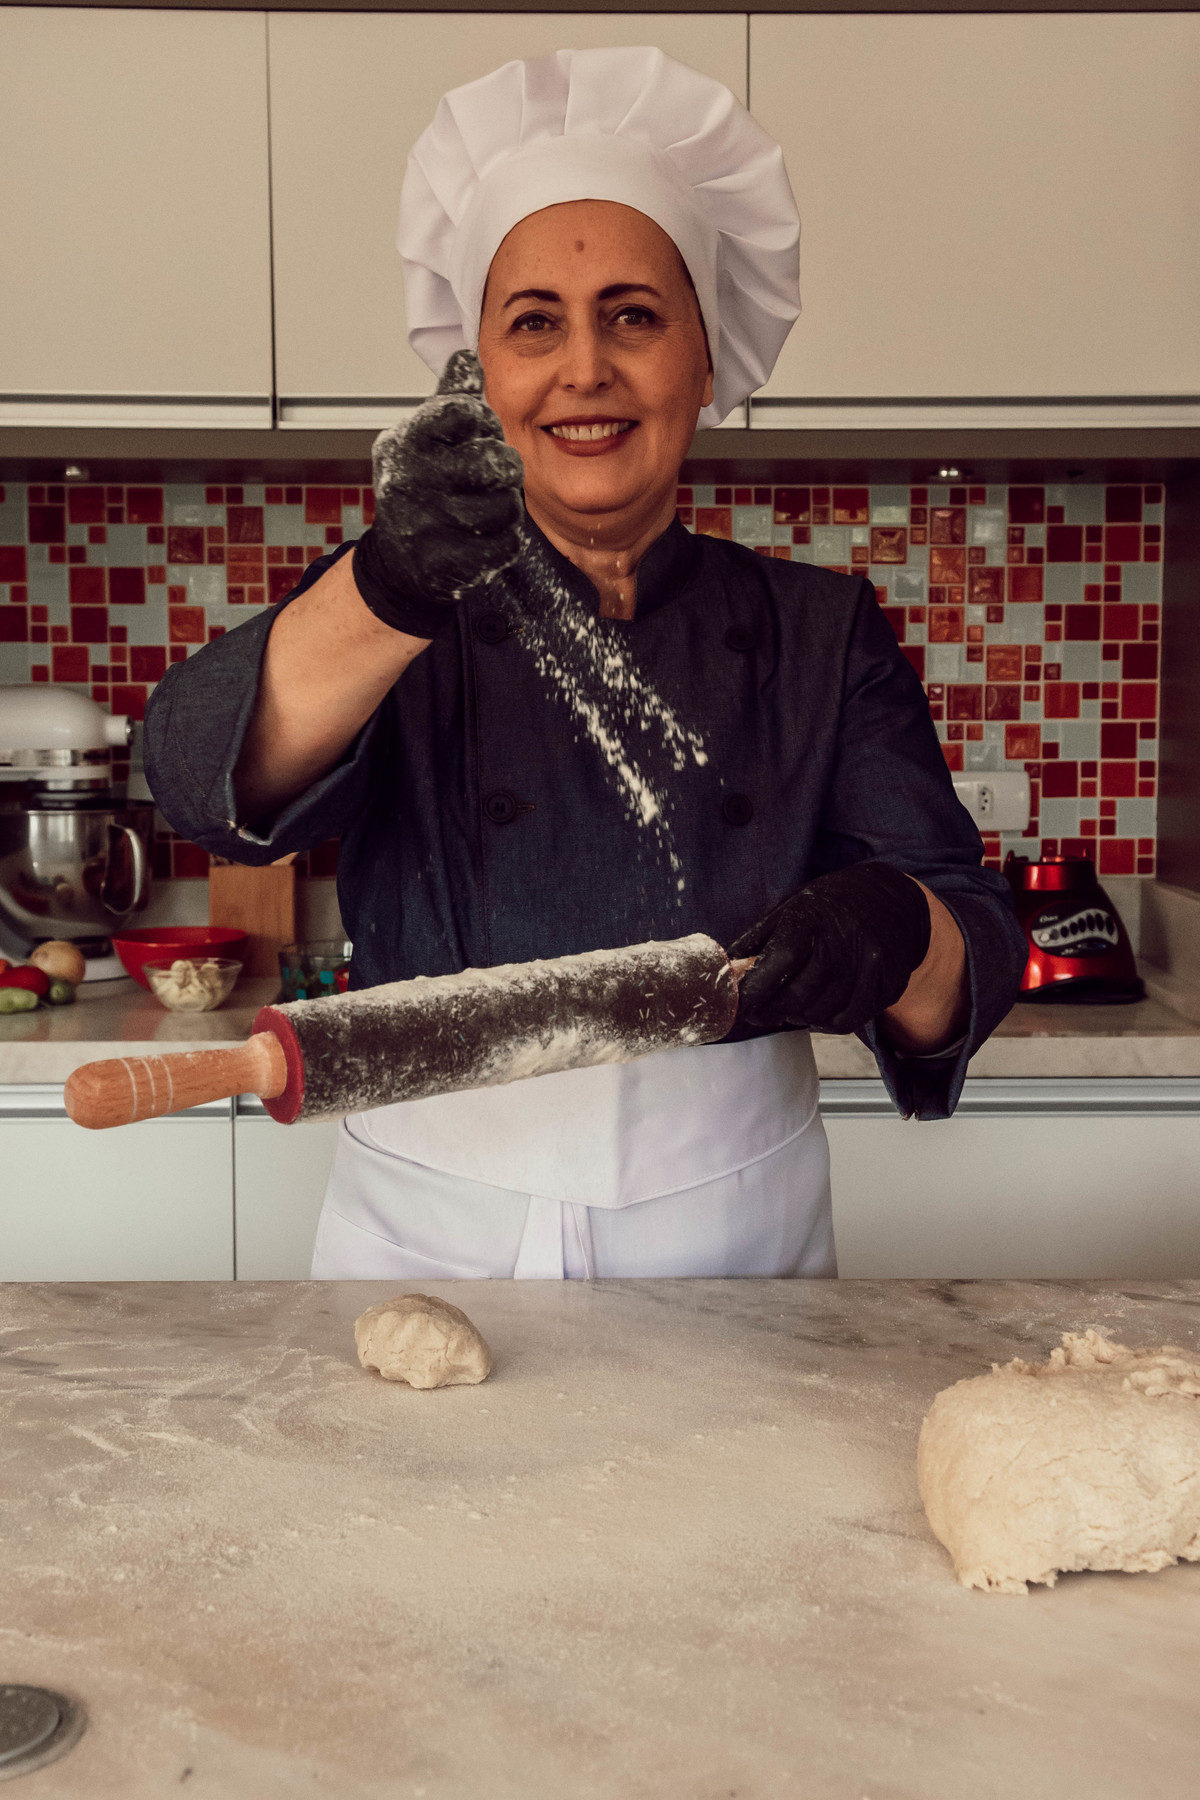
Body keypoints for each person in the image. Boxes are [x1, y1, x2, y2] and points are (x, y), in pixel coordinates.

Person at [145, 47, 1026, 1281]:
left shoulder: (820, 631)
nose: (584, 369)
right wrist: (389, 585)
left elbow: (969, 957)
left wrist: (899, 929)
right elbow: (195, 785)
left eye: (634, 315)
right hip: (432, 1224)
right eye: (534, 324)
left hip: (735, 1230)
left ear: (705, 360)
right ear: (480, 376)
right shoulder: (399, 607)